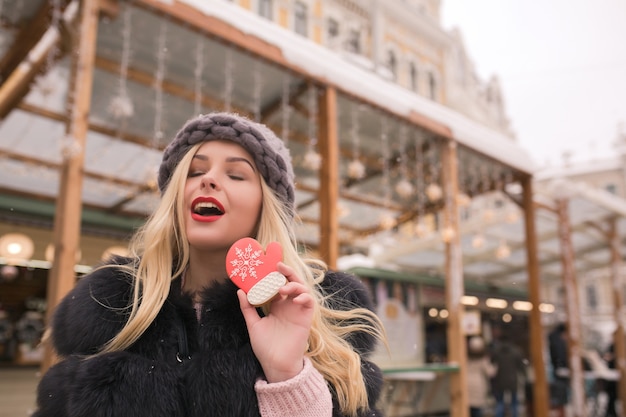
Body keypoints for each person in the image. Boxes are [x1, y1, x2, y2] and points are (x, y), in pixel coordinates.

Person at [33, 112, 386, 417]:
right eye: (194, 171)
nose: (209, 179)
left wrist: (287, 375)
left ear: (268, 206)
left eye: (236, 175)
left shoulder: (322, 316)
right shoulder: (107, 306)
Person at [490, 334, 526, 417]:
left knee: (500, 402)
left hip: (499, 380)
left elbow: (492, 364)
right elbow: (521, 366)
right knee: (514, 402)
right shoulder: (516, 351)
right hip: (512, 379)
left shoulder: (496, 351)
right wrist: (524, 376)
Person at [466, 336, 497, 417]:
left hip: (466, 384)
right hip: (478, 386)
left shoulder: (465, 358)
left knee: (468, 410)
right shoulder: (483, 359)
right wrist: (496, 365)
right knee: (477, 410)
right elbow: (491, 372)